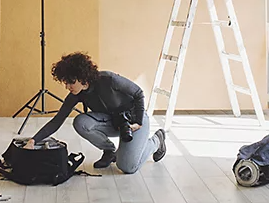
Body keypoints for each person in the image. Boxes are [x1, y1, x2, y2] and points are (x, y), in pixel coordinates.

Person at [23, 52, 166, 173]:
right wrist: (33, 140)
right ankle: (109, 151)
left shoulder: (109, 80)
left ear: (82, 77)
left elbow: (138, 93)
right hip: (111, 122)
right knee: (80, 122)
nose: (67, 87)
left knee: (128, 167)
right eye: (65, 82)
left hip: (133, 121)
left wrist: (138, 122)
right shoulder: (76, 94)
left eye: (70, 82)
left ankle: (156, 141)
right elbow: (57, 121)